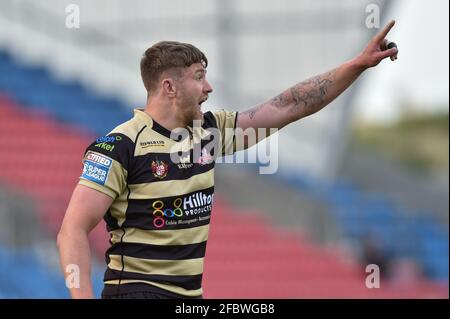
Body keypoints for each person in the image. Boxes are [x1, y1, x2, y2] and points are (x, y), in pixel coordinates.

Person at [57, 21, 399, 299]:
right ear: (169, 87)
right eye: (198, 76)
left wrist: (355, 66)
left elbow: (288, 106)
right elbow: (72, 229)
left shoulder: (210, 131)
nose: (209, 87)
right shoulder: (120, 146)